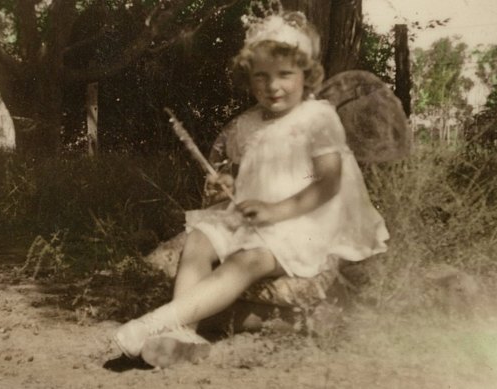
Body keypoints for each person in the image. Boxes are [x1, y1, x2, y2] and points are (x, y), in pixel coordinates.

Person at [114, 10, 389, 367]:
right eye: (261, 76)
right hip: (258, 216)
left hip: (305, 220)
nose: (273, 86)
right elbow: (248, 177)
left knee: (247, 260)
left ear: (307, 75)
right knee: (199, 238)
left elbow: (329, 182)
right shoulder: (246, 125)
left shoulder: (317, 118)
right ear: (249, 78)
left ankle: (160, 322)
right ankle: (182, 333)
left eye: (285, 75)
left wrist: (275, 211)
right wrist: (226, 184)